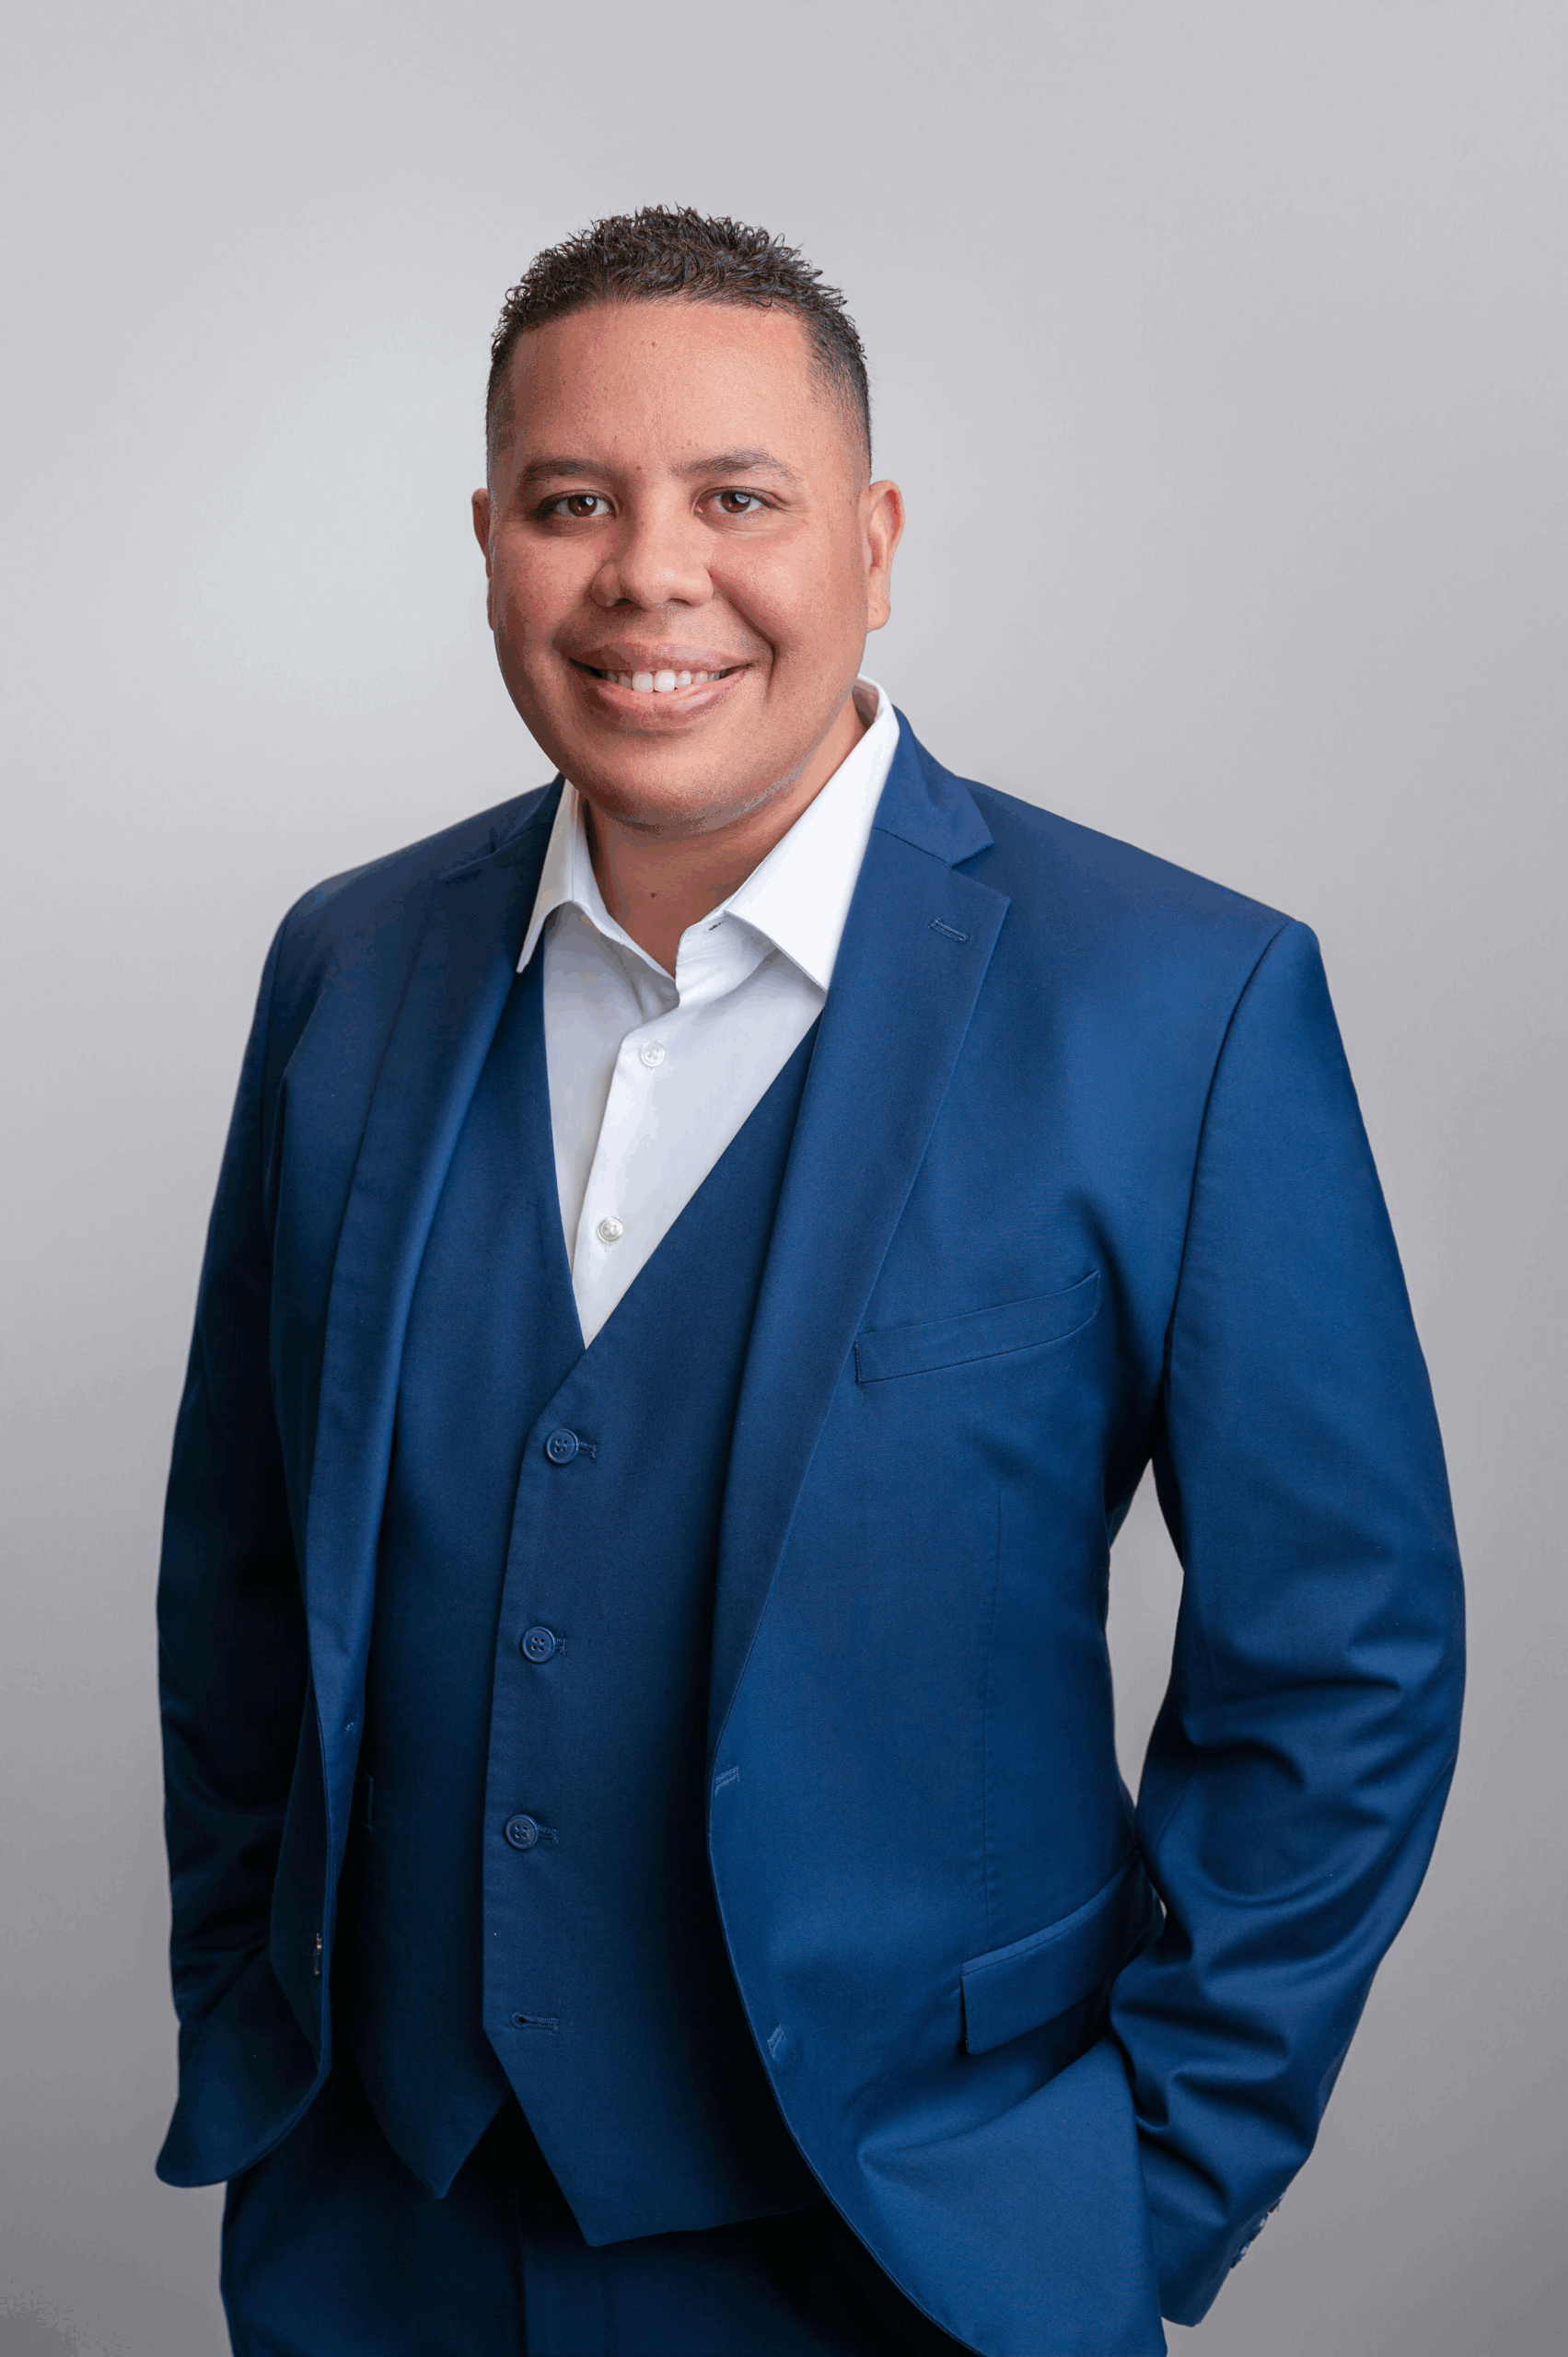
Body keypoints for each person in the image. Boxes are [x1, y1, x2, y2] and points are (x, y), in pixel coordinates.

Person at [155, 207, 1465, 2357]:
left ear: (871, 541)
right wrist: (245, 1995)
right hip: (377, 2233)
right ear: (488, 544)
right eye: (572, 502)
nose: (649, 574)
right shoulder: (349, 963)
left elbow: (1341, 1659)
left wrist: (1132, 2191)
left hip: (915, 2250)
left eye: (736, 498)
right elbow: (234, 1569)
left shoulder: (1178, 1003)